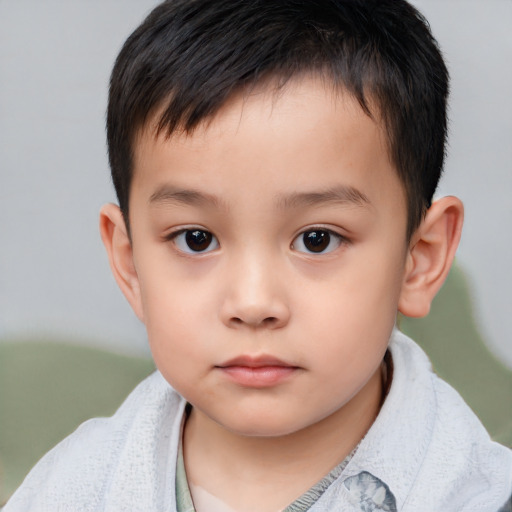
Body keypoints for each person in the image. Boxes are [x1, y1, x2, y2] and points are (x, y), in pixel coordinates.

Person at [5, 0, 512, 511]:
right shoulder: (67, 492)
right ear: (130, 263)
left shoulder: (481, 496)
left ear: (419, 259)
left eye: (317, 239)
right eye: (195, 239)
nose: (252, 302)